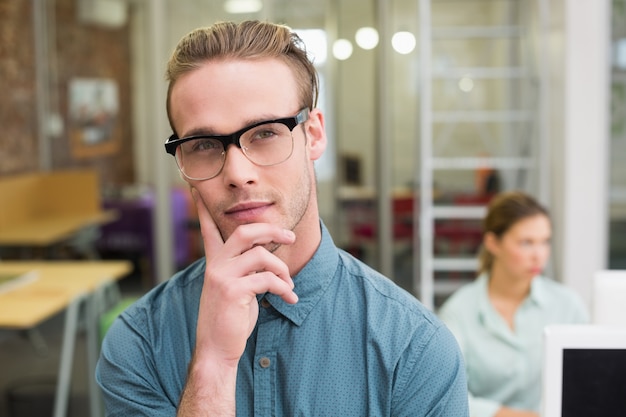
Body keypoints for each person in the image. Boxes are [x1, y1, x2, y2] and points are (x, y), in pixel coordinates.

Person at [96, 20, 469, 416]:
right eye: (204, 144)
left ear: (314, 134)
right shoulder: (138, 341)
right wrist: (212, 368)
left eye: (265, 133)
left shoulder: (414, 349)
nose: (238, 174)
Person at [437, 190, 589, 417]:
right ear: (493, 243)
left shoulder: (568, 305)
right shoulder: (458, 311)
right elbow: (446, 396)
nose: (539, 255)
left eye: (545, 242)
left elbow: (588, 382)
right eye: (526, 243)